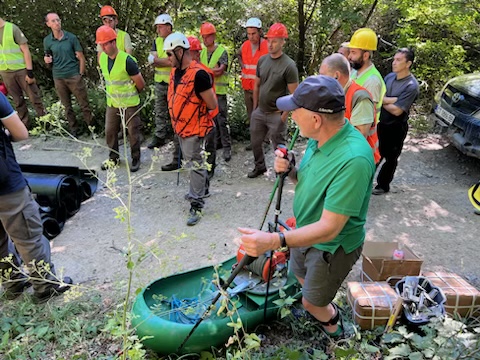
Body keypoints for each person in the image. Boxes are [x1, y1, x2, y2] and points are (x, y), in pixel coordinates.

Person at [239, 75, 375, 339]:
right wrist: (290, 170)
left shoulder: (354, 159)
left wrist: (274, 240)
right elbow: (308, 178)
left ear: (315, 119)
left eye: (294, 111)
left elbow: (329, 229)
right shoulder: (319, 137)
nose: (288, 115)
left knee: (312, 301)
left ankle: (335, 327)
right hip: (303, 233)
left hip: (330, 247)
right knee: (300, 276)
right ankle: (315, 306)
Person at [0, 92, 73, 303]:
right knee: (28, 237)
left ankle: (12, 283)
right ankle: (44, 287)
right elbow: (21, 133)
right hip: (6, 186)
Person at [164, 32, 217, 226]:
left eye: (169, 54)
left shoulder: (199, 75)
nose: (167, 59)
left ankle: (196, 203)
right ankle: (203, 188)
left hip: (194, 127)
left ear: (179, 51)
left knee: (194, 163)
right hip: (181, 127)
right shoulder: (175, 71)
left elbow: (211, 103)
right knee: (194, 161)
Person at [247, 23, 298, 178]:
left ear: (283, 42)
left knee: (279, 145)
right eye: (269, 40)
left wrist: (284, 116)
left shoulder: (289, 65)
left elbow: (294, 95)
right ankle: (260, 167)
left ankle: (283, 171)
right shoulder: (262, 61)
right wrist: (255, 108)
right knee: (255, 142)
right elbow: (256, 85)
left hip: (277, 113)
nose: (270, 44)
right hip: (260, 111)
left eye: (275, 41)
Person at [96, 25, 145, 173]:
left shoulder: (127, 60)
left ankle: (135, 158)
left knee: (133, 133)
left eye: (105, 44)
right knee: (110, 131)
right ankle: (113, 158)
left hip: (129, 103)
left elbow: (141, 84)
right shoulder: (103, 59)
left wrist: (131, 94)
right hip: (112, 103)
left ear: (113, 42)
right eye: (101, 44)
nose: (103, 47)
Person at [373, 48, 419, 195]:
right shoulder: (389, 77)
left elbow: (397, 110)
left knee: (391, 158)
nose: (394, 62)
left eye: (399, 60)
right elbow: (380, 96)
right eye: (394, 59)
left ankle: (383, 185)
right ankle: (364, 182)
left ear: (408, 64)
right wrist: (392, 100)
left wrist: (382, 101)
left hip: (396, 127)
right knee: (374, 154)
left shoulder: (411, 85)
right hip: (381, 123)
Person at [319, 53, 380, 164]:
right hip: (342, 156)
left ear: (336, 76)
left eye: (323, 75)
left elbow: (359, 136)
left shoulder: (360, 97)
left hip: (357, 162)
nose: (320, 79)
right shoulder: (333, 93)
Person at [43, 12, 93, 137]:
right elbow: (48, 58)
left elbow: (81, 57)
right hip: (58, 76)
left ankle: (92, 128)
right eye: (53, 21)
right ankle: (74, 130)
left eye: (58, 20)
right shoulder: (47, 41)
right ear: (48, 24)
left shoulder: (71, 38)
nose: (57, 23)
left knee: (84, 104)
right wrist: (47, 61)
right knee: (67, 106)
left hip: (73, 75)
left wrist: (80, 74)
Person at [0, 17, 45, 129]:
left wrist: (29, 72)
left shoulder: (12, 28)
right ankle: (25, 126)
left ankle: (45, 123)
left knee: (34, 98)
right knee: (17, 100)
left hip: (21, 70)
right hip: (5, 72)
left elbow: (25, 50)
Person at [200, 22, 232, 162]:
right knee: (210, 122)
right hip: (206, 93)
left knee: (222, 120)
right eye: (203, 37)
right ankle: (216, 144)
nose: (204, 40)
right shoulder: (201, 52)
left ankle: (227, 148)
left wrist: (206, 72)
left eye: (207, 37)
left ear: (213, 36)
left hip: (218, 92)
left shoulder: (221, 52)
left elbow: (220, 71)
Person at [188, 35, 218, 181]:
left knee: (208, 144)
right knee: (197, 147)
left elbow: (208, 100)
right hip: (195, 117)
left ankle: (209, 170)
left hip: (207, 114)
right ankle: (200, 173)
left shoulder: (203, 73)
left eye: (191, 52)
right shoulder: (185, 72)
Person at [237, 17, 268, 151]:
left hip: (262, 88)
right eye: (249, 34)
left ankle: (265, 142)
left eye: (253, 33)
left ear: (260, 32)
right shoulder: (244, 46)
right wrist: (242, 65)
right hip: (247, 88)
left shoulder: (267, 45)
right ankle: (255, 141)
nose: (251, 37)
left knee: (263, 115)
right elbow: (238, 55)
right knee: (252, 116)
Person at [147, 14, 175, 153]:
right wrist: (162, 61)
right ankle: (159, 137)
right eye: (157, 27)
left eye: (160, 27)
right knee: (159, 111)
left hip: (173, 83)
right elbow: (152, 61)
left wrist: (158, 60)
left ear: (169, 27)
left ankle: (177, 136)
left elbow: (172, 62)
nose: (158, 30)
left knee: (175, 110)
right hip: (160, 83)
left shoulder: (176, 40)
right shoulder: (156, 41)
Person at [347, 28, 386, 126]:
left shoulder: (372, 81)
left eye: (353, 52)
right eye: (350, 52)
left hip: (364, 136)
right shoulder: (354, 73)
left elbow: (366, 120)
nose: (349, 57)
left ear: (365, 56)